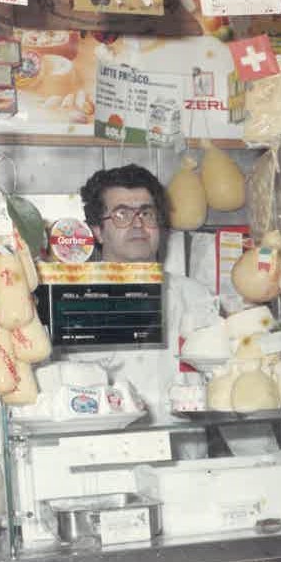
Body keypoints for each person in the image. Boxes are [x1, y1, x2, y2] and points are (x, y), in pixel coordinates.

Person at [77, 165, 218, 420]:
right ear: (98, 231)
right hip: (103, 444)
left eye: (147, 213)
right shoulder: (74, 301)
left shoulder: (195, 296)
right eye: (121, 214)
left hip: (186, 443)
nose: (138, 224)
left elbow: (225, 383)